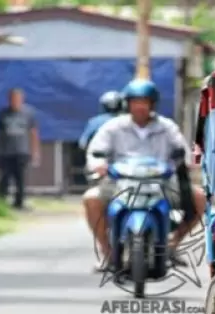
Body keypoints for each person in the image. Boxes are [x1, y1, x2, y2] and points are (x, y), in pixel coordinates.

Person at [84, 78, 207, 272]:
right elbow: (95, 152)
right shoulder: (113, 127)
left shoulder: (167, 127)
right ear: (128, 104)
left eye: (144, 102)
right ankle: (107, 253)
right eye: (135, 102)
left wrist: (184, 162)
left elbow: (183, 151)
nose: (140, 107)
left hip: (161, 185)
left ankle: (172, 245)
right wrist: (99, 165)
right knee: (91, 199)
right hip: (120, 184)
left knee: (200, 198)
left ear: (152, 104)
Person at [0, 88, 41, 210]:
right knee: (4, 177)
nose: (15, 102)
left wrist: (35, 151)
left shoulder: (28, 113)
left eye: (17, 99)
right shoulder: (3, 113)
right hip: (6, 152)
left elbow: (33, 132)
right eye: (12, 99)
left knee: (20, 178)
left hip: (21, 151)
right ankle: (0, 202)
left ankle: (19, 202)